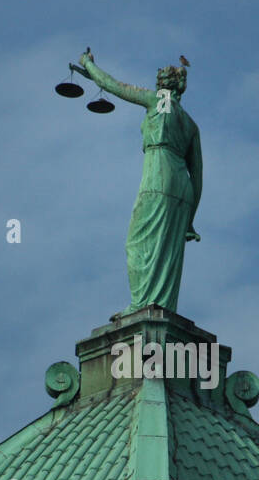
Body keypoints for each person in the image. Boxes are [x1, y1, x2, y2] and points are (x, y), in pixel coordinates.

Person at [79, 49, 203, 314]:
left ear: (162, 84)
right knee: (168, 250)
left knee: (137, 242)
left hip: (159, 173)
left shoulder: (157, 101)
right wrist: (190, 218)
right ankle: (159, 305)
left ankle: (141, 304)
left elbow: (112, 85)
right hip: (183, 186)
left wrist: (88, 65)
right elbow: (198, 176)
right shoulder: (191, 125)